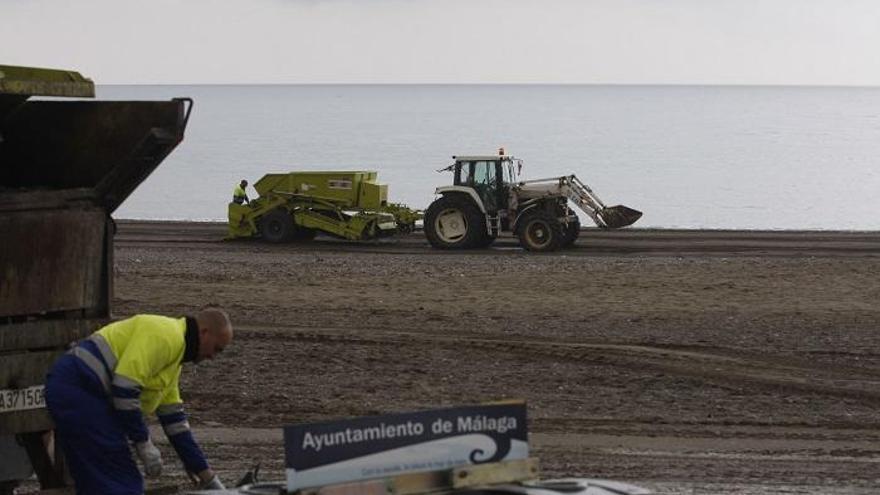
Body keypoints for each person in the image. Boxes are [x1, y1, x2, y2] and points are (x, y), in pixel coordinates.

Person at [45, 307, 234, 494]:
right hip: (79, 388)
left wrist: (206, 476)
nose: (212, 357)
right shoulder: (166, 337)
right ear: (204, 332)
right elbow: (124, 390)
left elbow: (176, 425)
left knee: (99, 480)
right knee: (120, 482)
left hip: (80, 392)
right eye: (216, 349)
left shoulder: (173, 360)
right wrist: (143, 443)